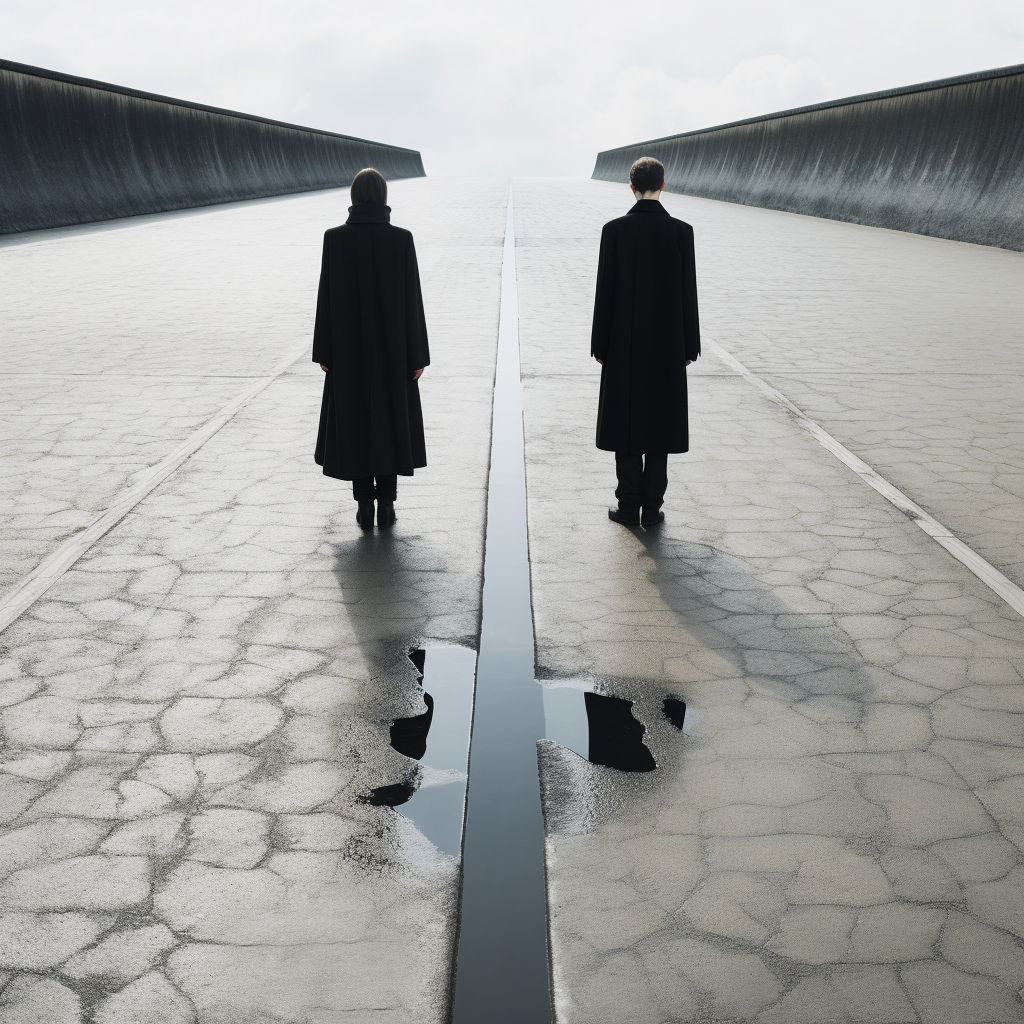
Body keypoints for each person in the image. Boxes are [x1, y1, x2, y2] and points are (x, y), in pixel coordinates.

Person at [312, 168, 430, 530]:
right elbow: (412, 300)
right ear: (382, 196)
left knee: (354, 423)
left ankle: (364, 504)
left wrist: (325, 353)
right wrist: (417, 355)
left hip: (347, 351)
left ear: (353, 196)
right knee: (390, 421)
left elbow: (326, 298)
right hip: (393, 352)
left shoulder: (334, 238)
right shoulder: (402, 239)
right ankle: (388, 505)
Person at [590, 156, 700, 528]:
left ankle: (627, 505)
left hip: (623, 345)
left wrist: (600, 346)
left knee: (626, 424)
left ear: (631, 186)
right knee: (660, 424)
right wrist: (690, 347)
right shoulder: (681, 232)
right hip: (668, 345)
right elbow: (689, 293)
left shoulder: (614, 230)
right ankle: (652, 508)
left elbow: (604, 292)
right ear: (663, 185)